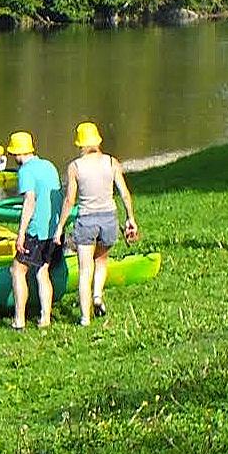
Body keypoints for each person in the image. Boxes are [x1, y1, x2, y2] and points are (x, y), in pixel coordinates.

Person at [55, 123, 141, 326]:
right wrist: (131, 219)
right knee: (101, 261)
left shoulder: (75, 167)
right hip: (108, 218)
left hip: (86, 219)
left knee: (85, 270)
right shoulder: (111, 162)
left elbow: (70, 200)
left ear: (80, 144)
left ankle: (85, 318)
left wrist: (60, 227)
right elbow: (125, 193)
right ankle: (97, 297)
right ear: (98, 141)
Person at [8, 131, 63, 330]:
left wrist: (21, 233)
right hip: (54, 229)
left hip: (37, 231)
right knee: (42, 271)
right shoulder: (49, 165)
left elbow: (29, 200)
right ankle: (45, 318)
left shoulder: (25, 171)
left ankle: (19, 319)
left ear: (18, 153)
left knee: (17, 270)